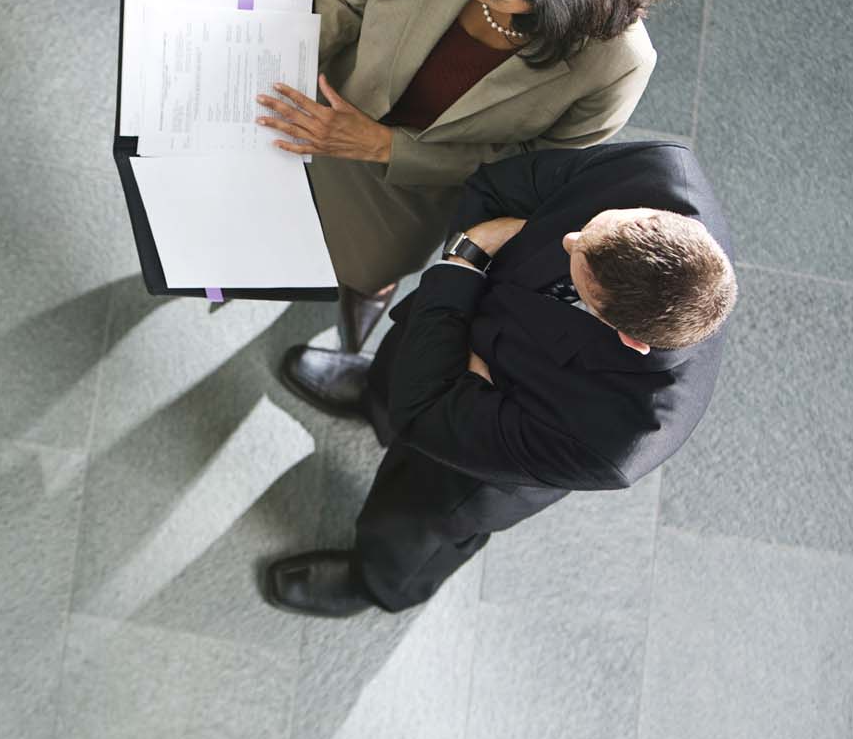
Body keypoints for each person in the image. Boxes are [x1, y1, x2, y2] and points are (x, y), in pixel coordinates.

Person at [256, 0, 664, 401]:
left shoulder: (617, 64)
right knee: (260, 208)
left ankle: (362, 301)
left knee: (366, 265)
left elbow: (533, 175)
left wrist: (384, 148)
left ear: (557, 6)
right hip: (326, 98)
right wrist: (269, 72)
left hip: (413, 189)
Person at [262, 141, 737, 617]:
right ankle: (374, 395)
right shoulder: (663, 171)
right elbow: (497, 185)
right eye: (598, 225)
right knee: (399, 373)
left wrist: (470, 263)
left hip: (473, 472)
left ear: (630, 339)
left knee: (414, 522)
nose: (569, 239)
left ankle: (378, 584)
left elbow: (424, 413)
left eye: (581, 265)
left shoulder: (620, 438)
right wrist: (463, 284)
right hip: (461, 353)